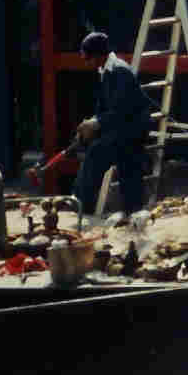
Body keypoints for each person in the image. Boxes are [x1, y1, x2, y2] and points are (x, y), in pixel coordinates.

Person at [74, 32, 154, 228]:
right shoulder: (106, 71)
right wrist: (91, 123)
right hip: (121, 128)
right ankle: (132, 212)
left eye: (88, 58)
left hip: (132, 129)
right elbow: (104, 108)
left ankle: (80, 203)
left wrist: (96, 124)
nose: (86, 62)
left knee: (96, 154)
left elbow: (121, 110)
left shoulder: (120, 72)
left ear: (99, 55)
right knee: (128, 171)